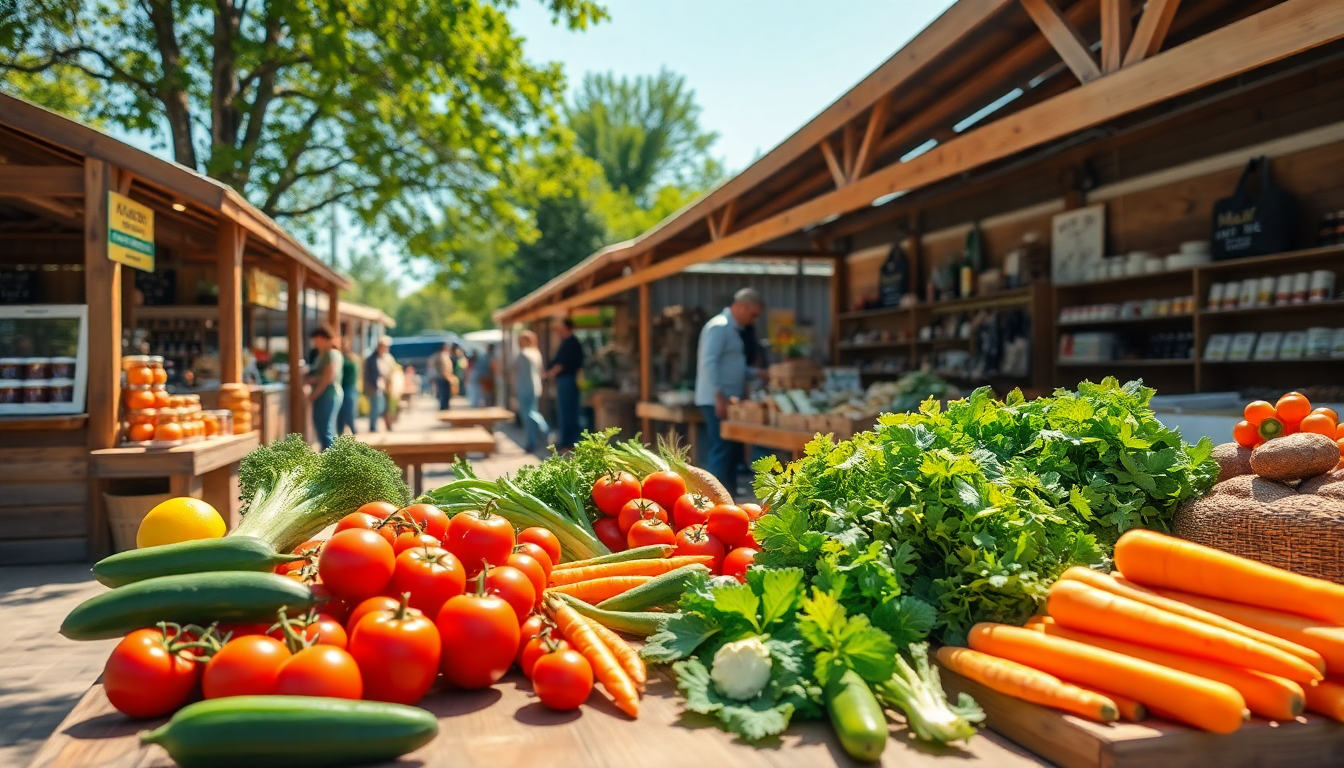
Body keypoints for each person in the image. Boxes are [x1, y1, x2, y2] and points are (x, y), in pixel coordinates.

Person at [694, 287, 764, 492]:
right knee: (722, 449)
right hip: (717, 400)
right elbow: (709, 363)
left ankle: (729, 497)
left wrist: (753, 373)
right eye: (753, 314)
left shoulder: (732, 329)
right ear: (742, 307)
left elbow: (732, 365)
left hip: (727, 399)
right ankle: (715, 497)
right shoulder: (719, 327)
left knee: (732, 450)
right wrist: (719, 396)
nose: (754, 320)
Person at [545, 318, 584, 450]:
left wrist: (547, 375)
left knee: (567, 412)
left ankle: (568, 442)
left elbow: (561, 365)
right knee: (568, 411)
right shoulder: (567, 342)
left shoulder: (571, 343)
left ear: (567, 328)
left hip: (567, 380)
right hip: (566, 380)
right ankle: (569, 441)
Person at [305, 325, 344, 451]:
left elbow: (328, 377)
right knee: (327, 428)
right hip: (329, 394)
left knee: (325, 429)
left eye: (318, 340)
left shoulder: (329, 354)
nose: (316, 344)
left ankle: (331, 462)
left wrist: (314, 394)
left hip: (327, 395)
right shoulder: (329, 354)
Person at [513, 331, 550, 452]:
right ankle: (537, 437)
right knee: (532, 411)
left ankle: (540, 434)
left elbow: (520, 373)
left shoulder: (524, 354)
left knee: (528, 414)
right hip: (535, 386)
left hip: (525, 387)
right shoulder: (536, 353)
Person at [363, 336, 395, 432]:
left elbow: (391, 371)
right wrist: (369, 386)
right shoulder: (371, 359)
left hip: (386, 386)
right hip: (375, 386)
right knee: (375, 408)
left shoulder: (388, 358)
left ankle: (387, 425)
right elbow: (367, 374)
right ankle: (373, 427)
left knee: (385, 407)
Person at [335, 337, 360, 436]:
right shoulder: (351, 358)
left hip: (347, 387)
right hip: (348, 387)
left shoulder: (346, 358)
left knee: (347, 411)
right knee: (344, 411)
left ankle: (350, 430)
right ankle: (344, 431)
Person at [427, 342, 453, 411]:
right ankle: (443, 407)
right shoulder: (438, 355)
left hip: (447, 377)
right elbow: (438, 367)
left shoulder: (446, 355)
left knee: (447, 393)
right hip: (441, 377)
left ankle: (446, 406)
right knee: (442, 393)